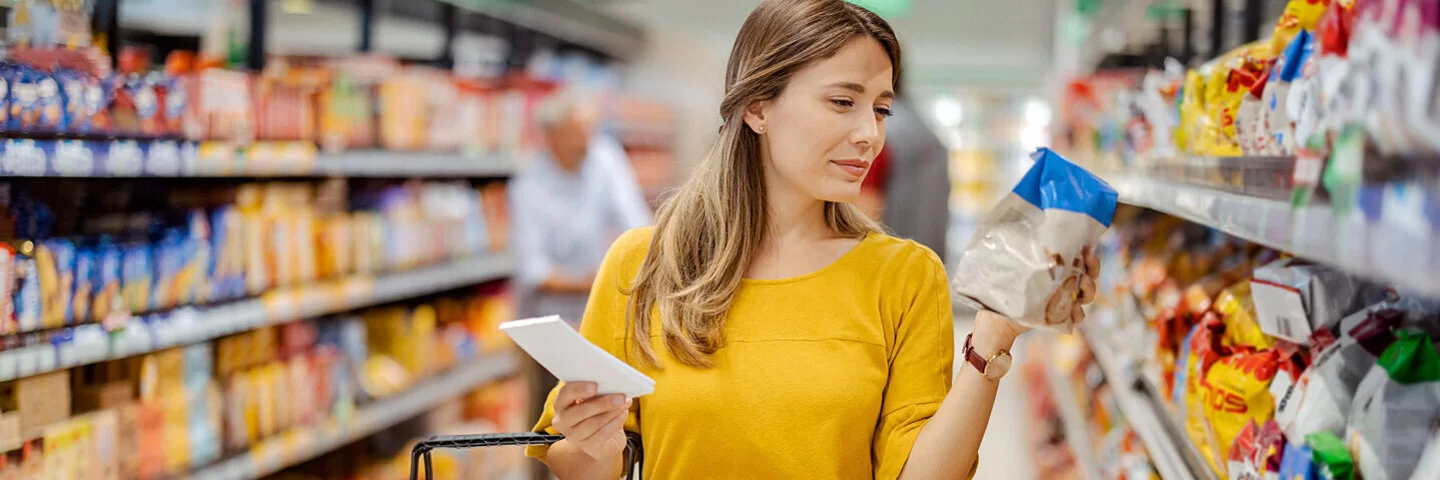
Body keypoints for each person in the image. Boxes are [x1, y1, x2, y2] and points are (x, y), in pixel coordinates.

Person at [525, 1, 1099, 479]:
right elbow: (577, 459)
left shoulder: (903, 276)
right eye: (842, 102)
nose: (870, 135)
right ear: (757, 108)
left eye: (880, 109)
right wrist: (593, 446)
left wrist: (994, 337)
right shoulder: (646, 263)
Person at [509, 90, 653, 325]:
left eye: (589, 130)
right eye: (577, 132)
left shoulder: (604, 158)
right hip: (550, 318)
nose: (586, 140)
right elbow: (533, 269)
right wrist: (591, 282)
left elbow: (635, 220)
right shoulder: (528, 186)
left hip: (600, 309)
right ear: (552, 136)